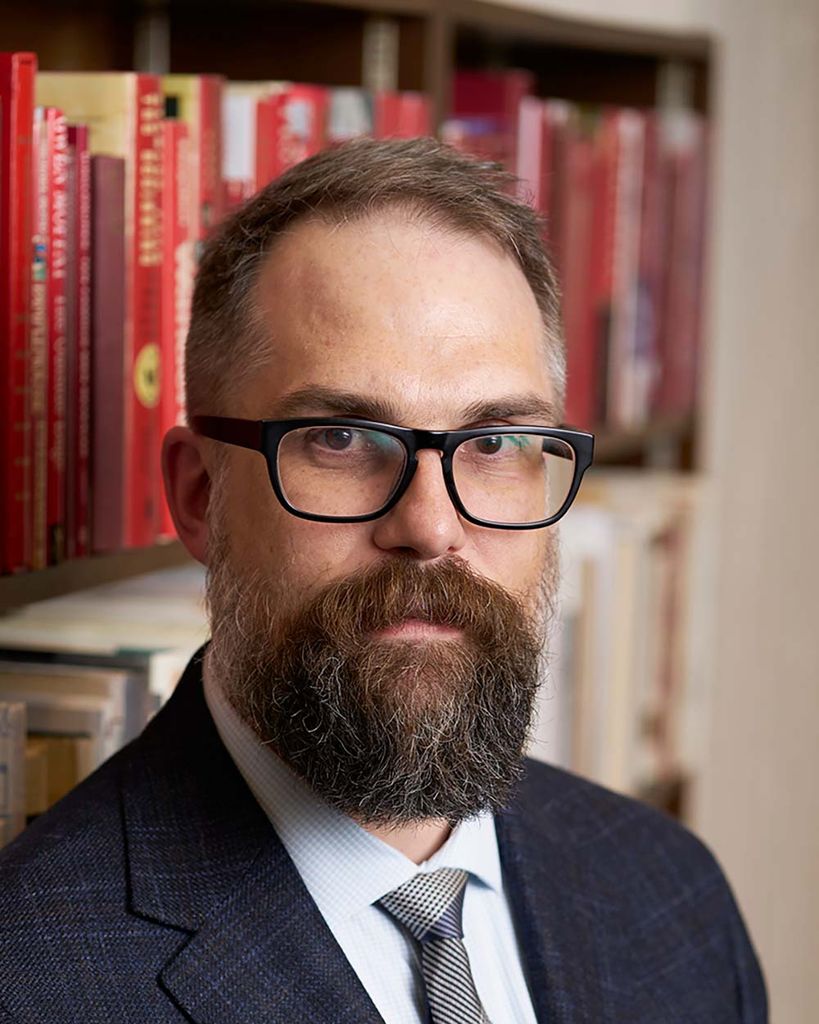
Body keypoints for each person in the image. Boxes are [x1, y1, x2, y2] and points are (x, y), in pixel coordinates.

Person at [0, 137, 766, 1023]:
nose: (431, 529)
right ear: (201, 497)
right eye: (339, 439)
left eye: (494, 444)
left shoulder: (674, 899)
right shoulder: (31, 983)